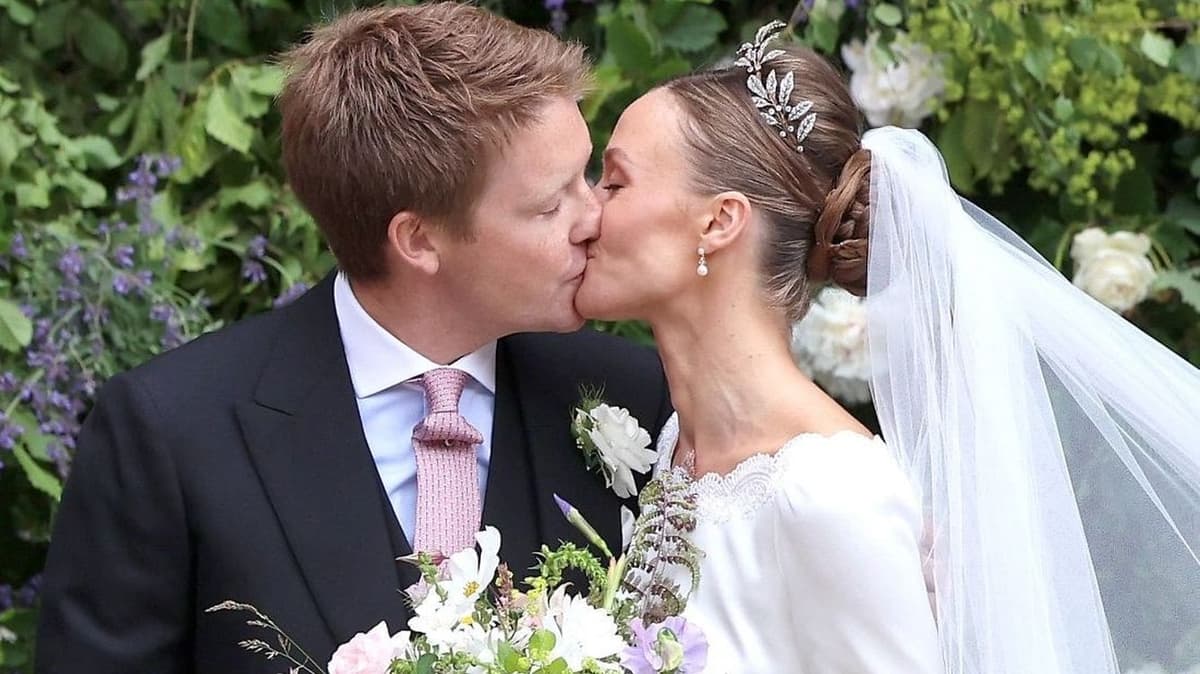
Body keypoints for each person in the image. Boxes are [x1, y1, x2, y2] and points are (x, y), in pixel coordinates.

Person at [35, 5, 670, 672]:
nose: (595, 217)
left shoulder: (629, 400)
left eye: (586, 175)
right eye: (551, 204)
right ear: (418, 240)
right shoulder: (171, 434)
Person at [577, 21, 1200, 673]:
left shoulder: (833, 492)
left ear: (720, 221)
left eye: (614, 183)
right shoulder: (676, 448)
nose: (588, 212)